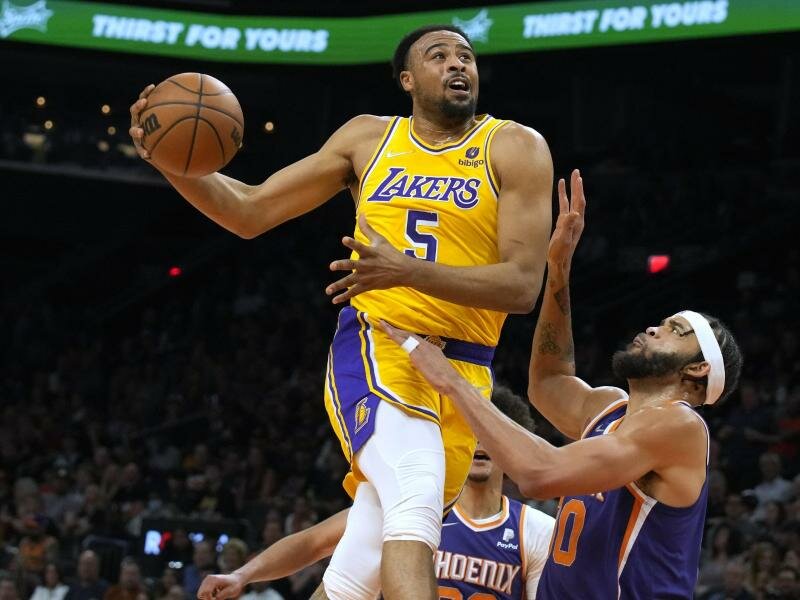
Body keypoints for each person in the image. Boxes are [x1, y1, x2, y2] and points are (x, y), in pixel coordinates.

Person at [130, 24, 554, 600]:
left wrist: (408, 270)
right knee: (415, 490)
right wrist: (169, 161)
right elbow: (250, 211)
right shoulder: (367, 139)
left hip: (464, 373)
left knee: (359, 568)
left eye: (467, 56)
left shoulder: (516, 147)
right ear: (407, 79)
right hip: (380, 345)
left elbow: (523, 285)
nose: (458, 65)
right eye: (439, 56)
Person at [378, 170, 744, 598]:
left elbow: (538, 474)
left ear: (697, 369)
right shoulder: (611, 408)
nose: (652, 328)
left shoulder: (679, 428)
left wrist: (453, 382)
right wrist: (559, 270)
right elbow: (549, 381)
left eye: (673, 330)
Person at [197, 386, 555, 600]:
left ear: (510, 449)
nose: (480, 445)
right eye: (472, 434)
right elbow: (313, 542)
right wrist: (242, 575)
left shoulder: (535, 530)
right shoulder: (409, 501)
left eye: (490, 436)